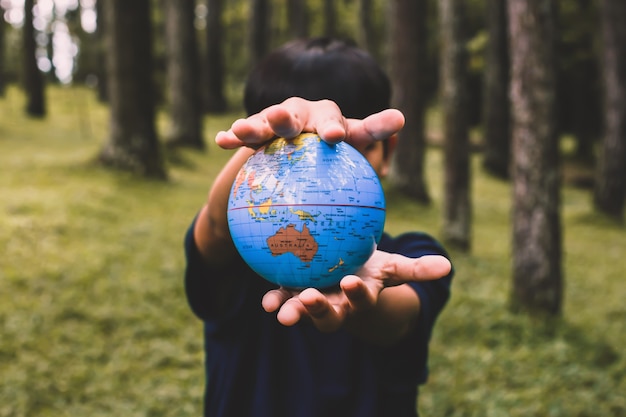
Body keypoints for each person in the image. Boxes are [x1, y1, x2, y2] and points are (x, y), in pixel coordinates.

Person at [184, 37, 454, 417]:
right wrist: (274, 126)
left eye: (340, 150)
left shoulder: (411, 255)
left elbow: (399, 318)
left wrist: (365, 300)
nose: (316, 174)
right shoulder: (241, 249)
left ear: (388, 151)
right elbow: (215, 224)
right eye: (286, 149)